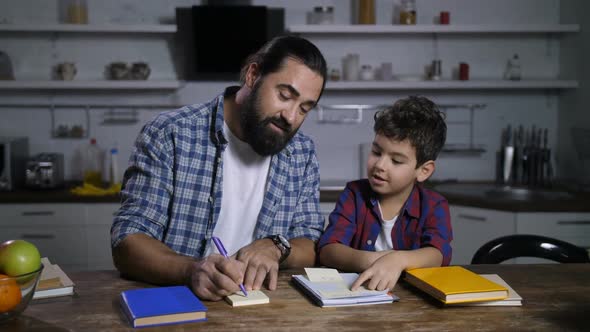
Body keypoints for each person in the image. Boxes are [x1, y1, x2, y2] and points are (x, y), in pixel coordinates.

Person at [111, 35, 328, 301]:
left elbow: (309, 243)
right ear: (252, 75)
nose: (291, 117)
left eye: (304, 109)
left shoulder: (301, 153)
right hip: (179, 307)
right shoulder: (170, 134)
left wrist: (276, 247)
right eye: (284, 95)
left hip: (262, 311)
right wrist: (191, 270)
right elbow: (128, 241)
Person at [318, 96, 452, 292]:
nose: (380, 165)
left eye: (396, 161)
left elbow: (439, 253)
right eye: (376, 152)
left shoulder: (434, 205)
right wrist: (373, 261)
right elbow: (328, 250)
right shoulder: (354, 195)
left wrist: (397, 260)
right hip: (356, 295)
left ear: (423, 171)